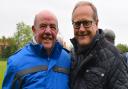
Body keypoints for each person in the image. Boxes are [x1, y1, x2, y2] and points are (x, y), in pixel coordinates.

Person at [2, 10, 71, 89]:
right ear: (34, 30)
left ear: (57, 31)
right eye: (43, 26)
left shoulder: (68, 59)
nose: (48, 31)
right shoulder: (16, 62)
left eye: (52, 27)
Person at [70, 1, 128, 89]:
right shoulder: (72, 55)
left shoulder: (115, 58)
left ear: (96, 24)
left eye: (86, 23)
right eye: (77, 24)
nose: (81, 29)